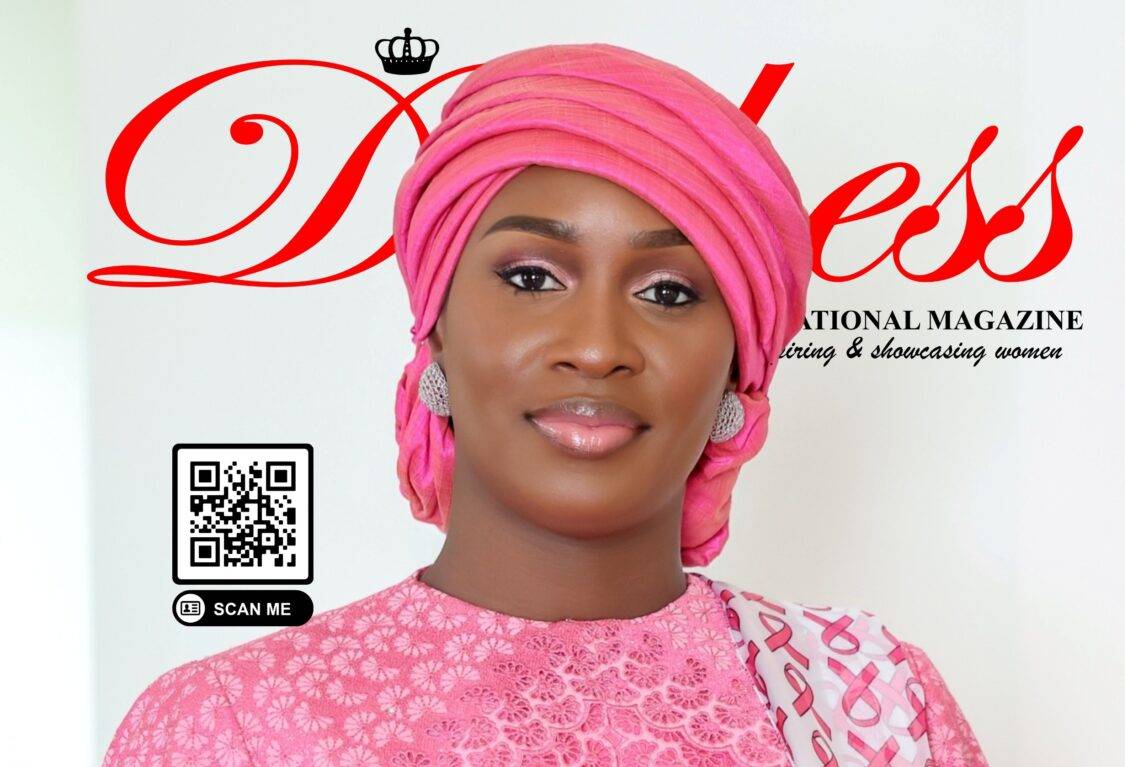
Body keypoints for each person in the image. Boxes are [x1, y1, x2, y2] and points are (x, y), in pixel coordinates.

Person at [103, 43, 989, 766]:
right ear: (436, 335)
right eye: (532, 278)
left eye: (669, 292)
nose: (597, 347)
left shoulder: (874, 704)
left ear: (735, 374)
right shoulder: (234, 727)